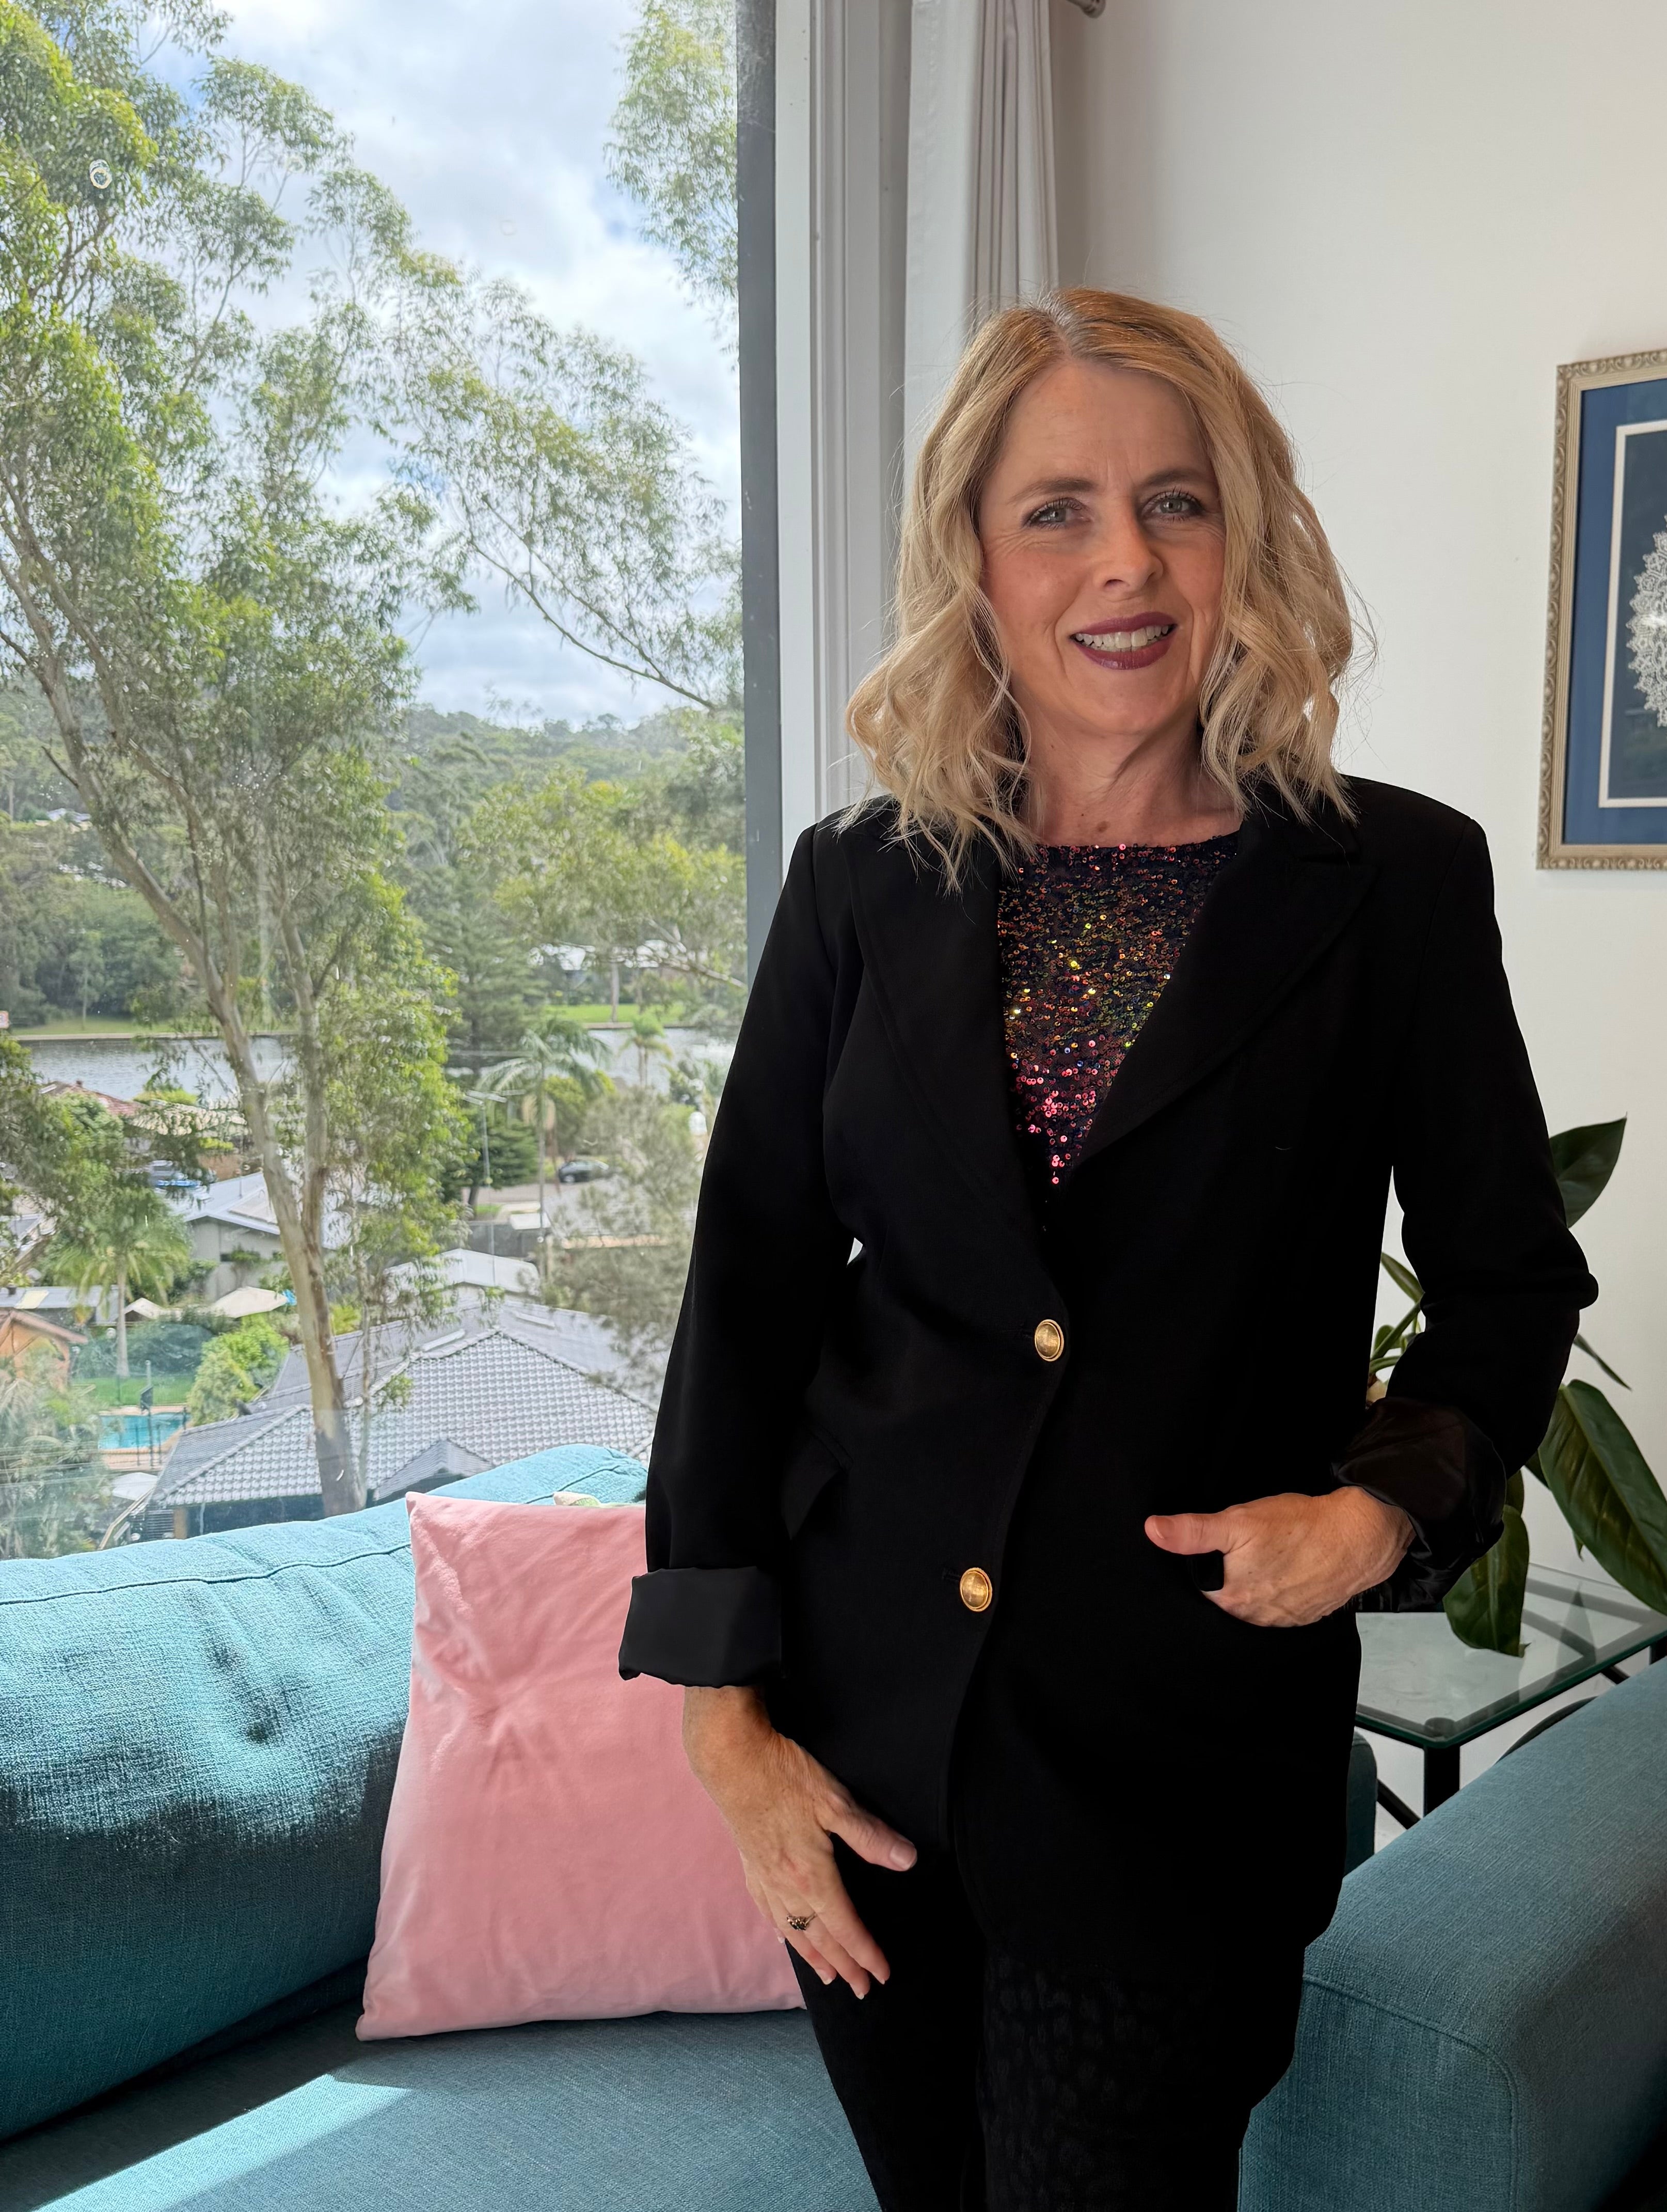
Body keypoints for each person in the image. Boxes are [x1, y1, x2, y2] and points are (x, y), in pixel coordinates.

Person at [618, 288, 1597, 2210]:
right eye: (1056, 509)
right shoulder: (856, 884)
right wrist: (723, 1723)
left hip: (1176, 1766)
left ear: (1249, 536)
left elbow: (1507, 1280)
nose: (1125, 562)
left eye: (1177, 501)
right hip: (862, 1743)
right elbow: (744, 1291)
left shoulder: (1387, 881)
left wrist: (1380, 1514)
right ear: (972, 559)